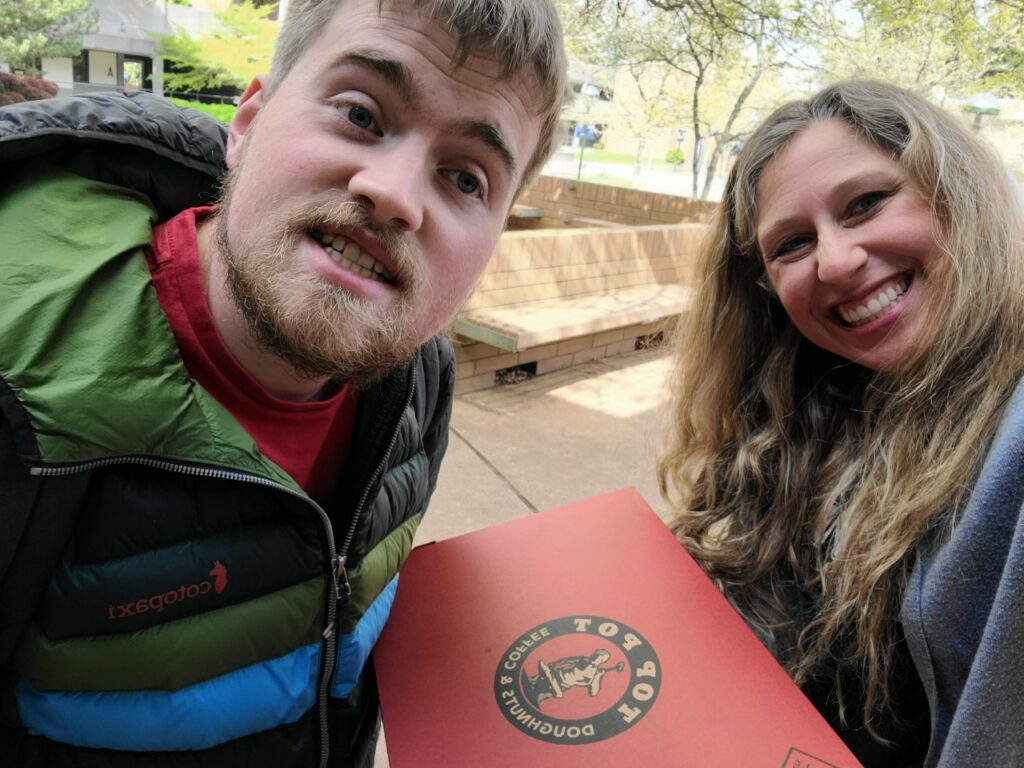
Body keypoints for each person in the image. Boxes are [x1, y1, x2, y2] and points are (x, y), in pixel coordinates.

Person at [0, 0, 568, 765]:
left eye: (466, 178)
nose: (395, 193)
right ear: (248, 122)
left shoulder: (417, 380)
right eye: (362, 114)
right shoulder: (18, 398)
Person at [659, 80, 1024, 767]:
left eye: (866, 204)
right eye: (792, 244)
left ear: (959, 196)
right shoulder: (810, 409)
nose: (837, 261)